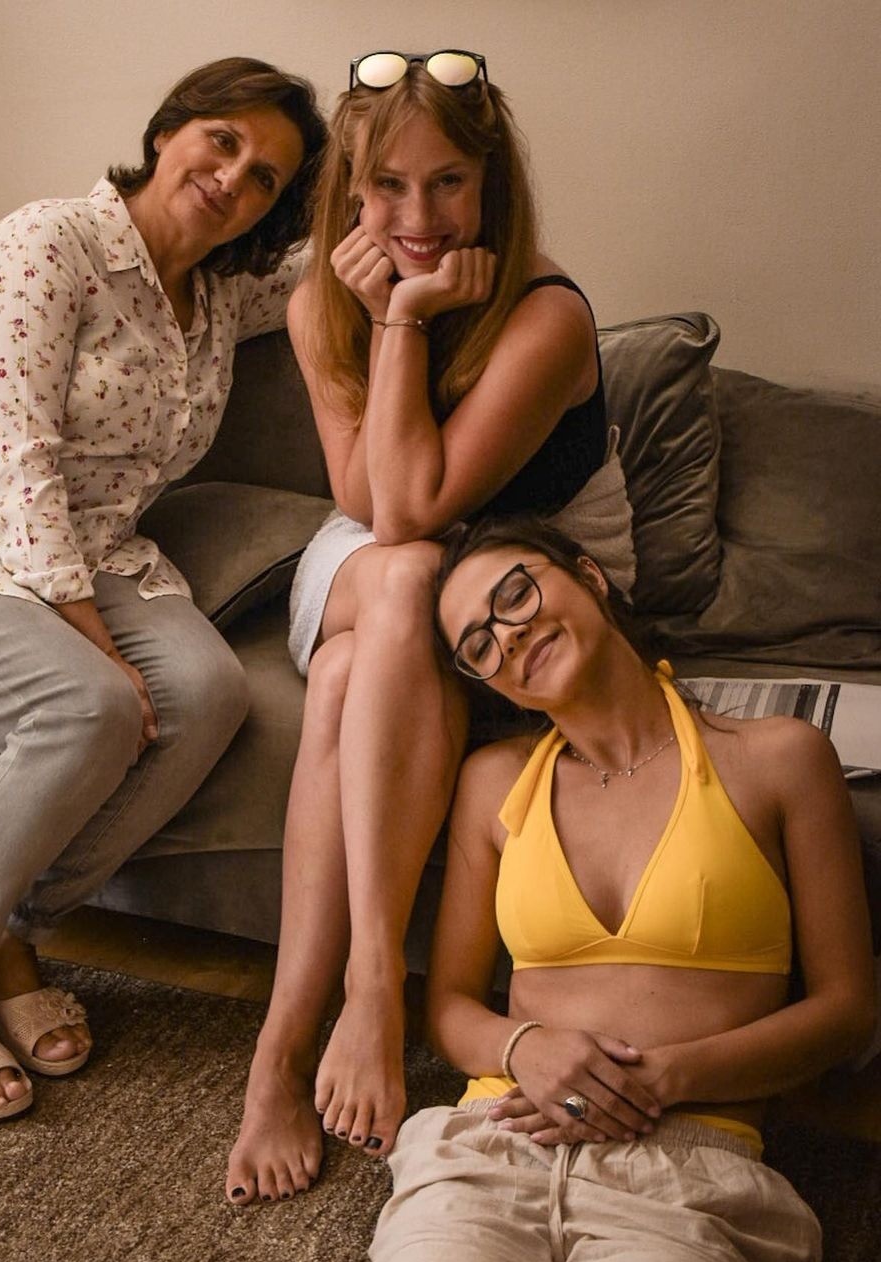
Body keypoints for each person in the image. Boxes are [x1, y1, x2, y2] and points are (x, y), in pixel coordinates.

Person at [0, 56, 326, 1123]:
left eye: (266, 177)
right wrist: (91, 639)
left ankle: (5, 929)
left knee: (210, 693)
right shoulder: (48, 243)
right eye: (223, 140)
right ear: (170, 129)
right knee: (88, 705)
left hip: (89, 548)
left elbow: (343, 265)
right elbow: (14, 464)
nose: (234, 177)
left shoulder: (219, 295)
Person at [228, 49, 631, 1203]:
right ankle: (362, 991)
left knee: (353, 660)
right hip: (384, 563)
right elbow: (370, 503)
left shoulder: (545, 316)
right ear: (350, 192)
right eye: (389, 186)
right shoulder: (320, 303)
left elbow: (414, 504)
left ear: (490, 182)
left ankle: (293, 1044)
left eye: (448, 181)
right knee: (399, 581)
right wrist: (378, 315)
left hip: (527, 580)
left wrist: (402, 318)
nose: (419, 216)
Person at [358, 513, 876, 1262]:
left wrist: (665, 1077)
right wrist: (524, 1045)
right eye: (478, 644)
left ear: (590, 577)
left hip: (688, 1166)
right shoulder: (492, 783)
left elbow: (848, 1009)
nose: (507, 635)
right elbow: (449, 1004)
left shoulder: (779, 759)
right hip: (499, 1140)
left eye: (516, 594)